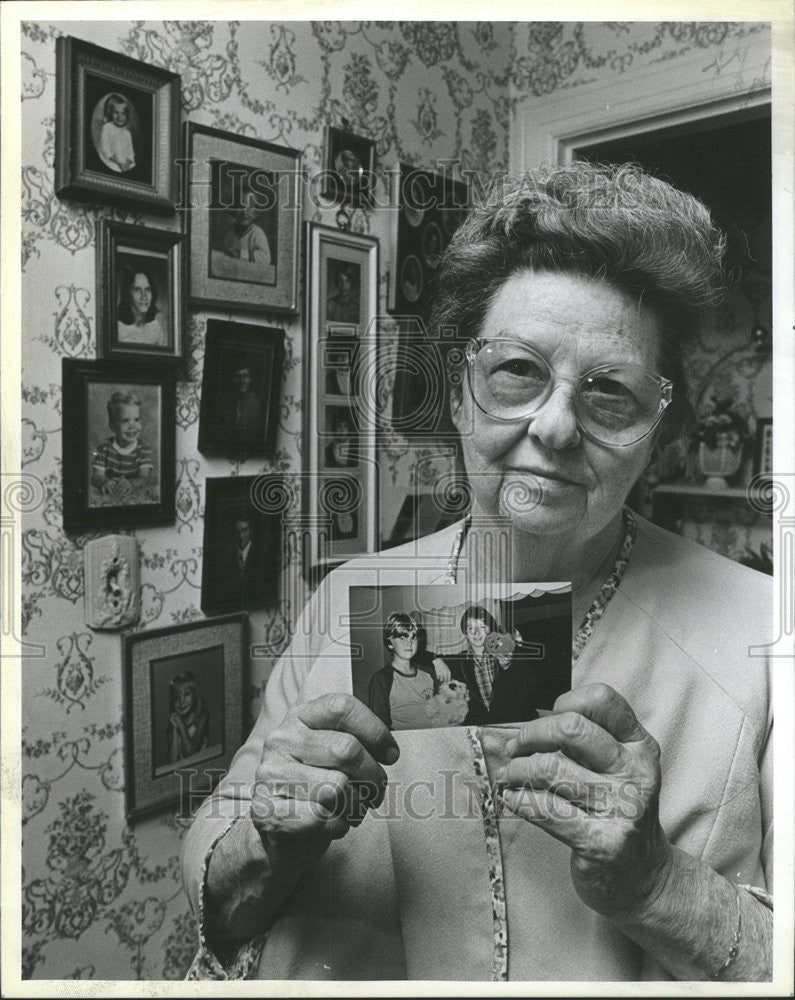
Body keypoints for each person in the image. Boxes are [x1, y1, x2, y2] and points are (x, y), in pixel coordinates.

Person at [182, 163, 773, 982]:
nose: (555, 427)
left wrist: (655, 883)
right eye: (517, 372)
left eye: (610, 393)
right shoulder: (348, 601)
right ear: (460, 393)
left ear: (658, 432)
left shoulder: (764, 634)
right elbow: (221, 904)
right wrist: (266, 844)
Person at [447, 604, 538, 726]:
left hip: (512, 726)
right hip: (480, 728)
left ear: (491, 630)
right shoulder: (459, 661)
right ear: (465, 634)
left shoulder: (508, 652)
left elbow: (529, 693)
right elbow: (420, 656)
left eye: (482, 626)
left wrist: (507, 668)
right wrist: (436, 660)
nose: (476, 633)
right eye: (470, 628)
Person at [367, 612, 453, 730]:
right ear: (390, 643)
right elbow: (379, 728)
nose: (409, 643)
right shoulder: (382, 679)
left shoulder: (429, 673)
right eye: (402, 637)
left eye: (413, 637)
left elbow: (446, 712)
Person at [90, 390, 154, 498]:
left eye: (136, 419)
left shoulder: (144, 449)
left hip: (133, 496)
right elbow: (95, 477)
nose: (132, 426)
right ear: (112, 426)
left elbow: (144, 478)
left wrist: (132, 483)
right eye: (125, 421)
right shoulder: (103, 448)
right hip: (111, 495)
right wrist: (104, 481)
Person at [167, 672, 210, 765]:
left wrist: (181, 725)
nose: (181, 701)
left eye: (186, 694)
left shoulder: (202, 718)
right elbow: (172, 761)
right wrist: (175, 728)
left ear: (195, 696)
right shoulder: (174, 721)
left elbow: (190, 754)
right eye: (177, 697)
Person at [117, 266, 166, 347]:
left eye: (147, 289)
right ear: (127, 294)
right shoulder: (118, 328)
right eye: (137, 290)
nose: (144, 296)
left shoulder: (156, 328)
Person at [222, 193, 272, 266]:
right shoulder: (230, 233)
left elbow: (266, 258)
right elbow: (224, 253)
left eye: (250, 207)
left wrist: (242, 254)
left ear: (255, 212)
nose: (244, 212)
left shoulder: (257, 233)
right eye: (241, 207)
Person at [222, 363, 262, 441]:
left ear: (250, 379)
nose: (242, 381)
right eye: (238, 376)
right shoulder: (226, 401)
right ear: (232, 380)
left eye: (245, 376)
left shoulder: (257, 402)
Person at [98, 93, 135, 173]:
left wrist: (127, 164)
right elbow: (106, 151)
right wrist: (120, 163)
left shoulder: (127, 133)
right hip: (112, 161)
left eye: (123, 113)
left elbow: (130, 153)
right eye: (116, 113)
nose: (119, 117)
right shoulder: (107, 128)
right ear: (110, 113)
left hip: (125, 164)